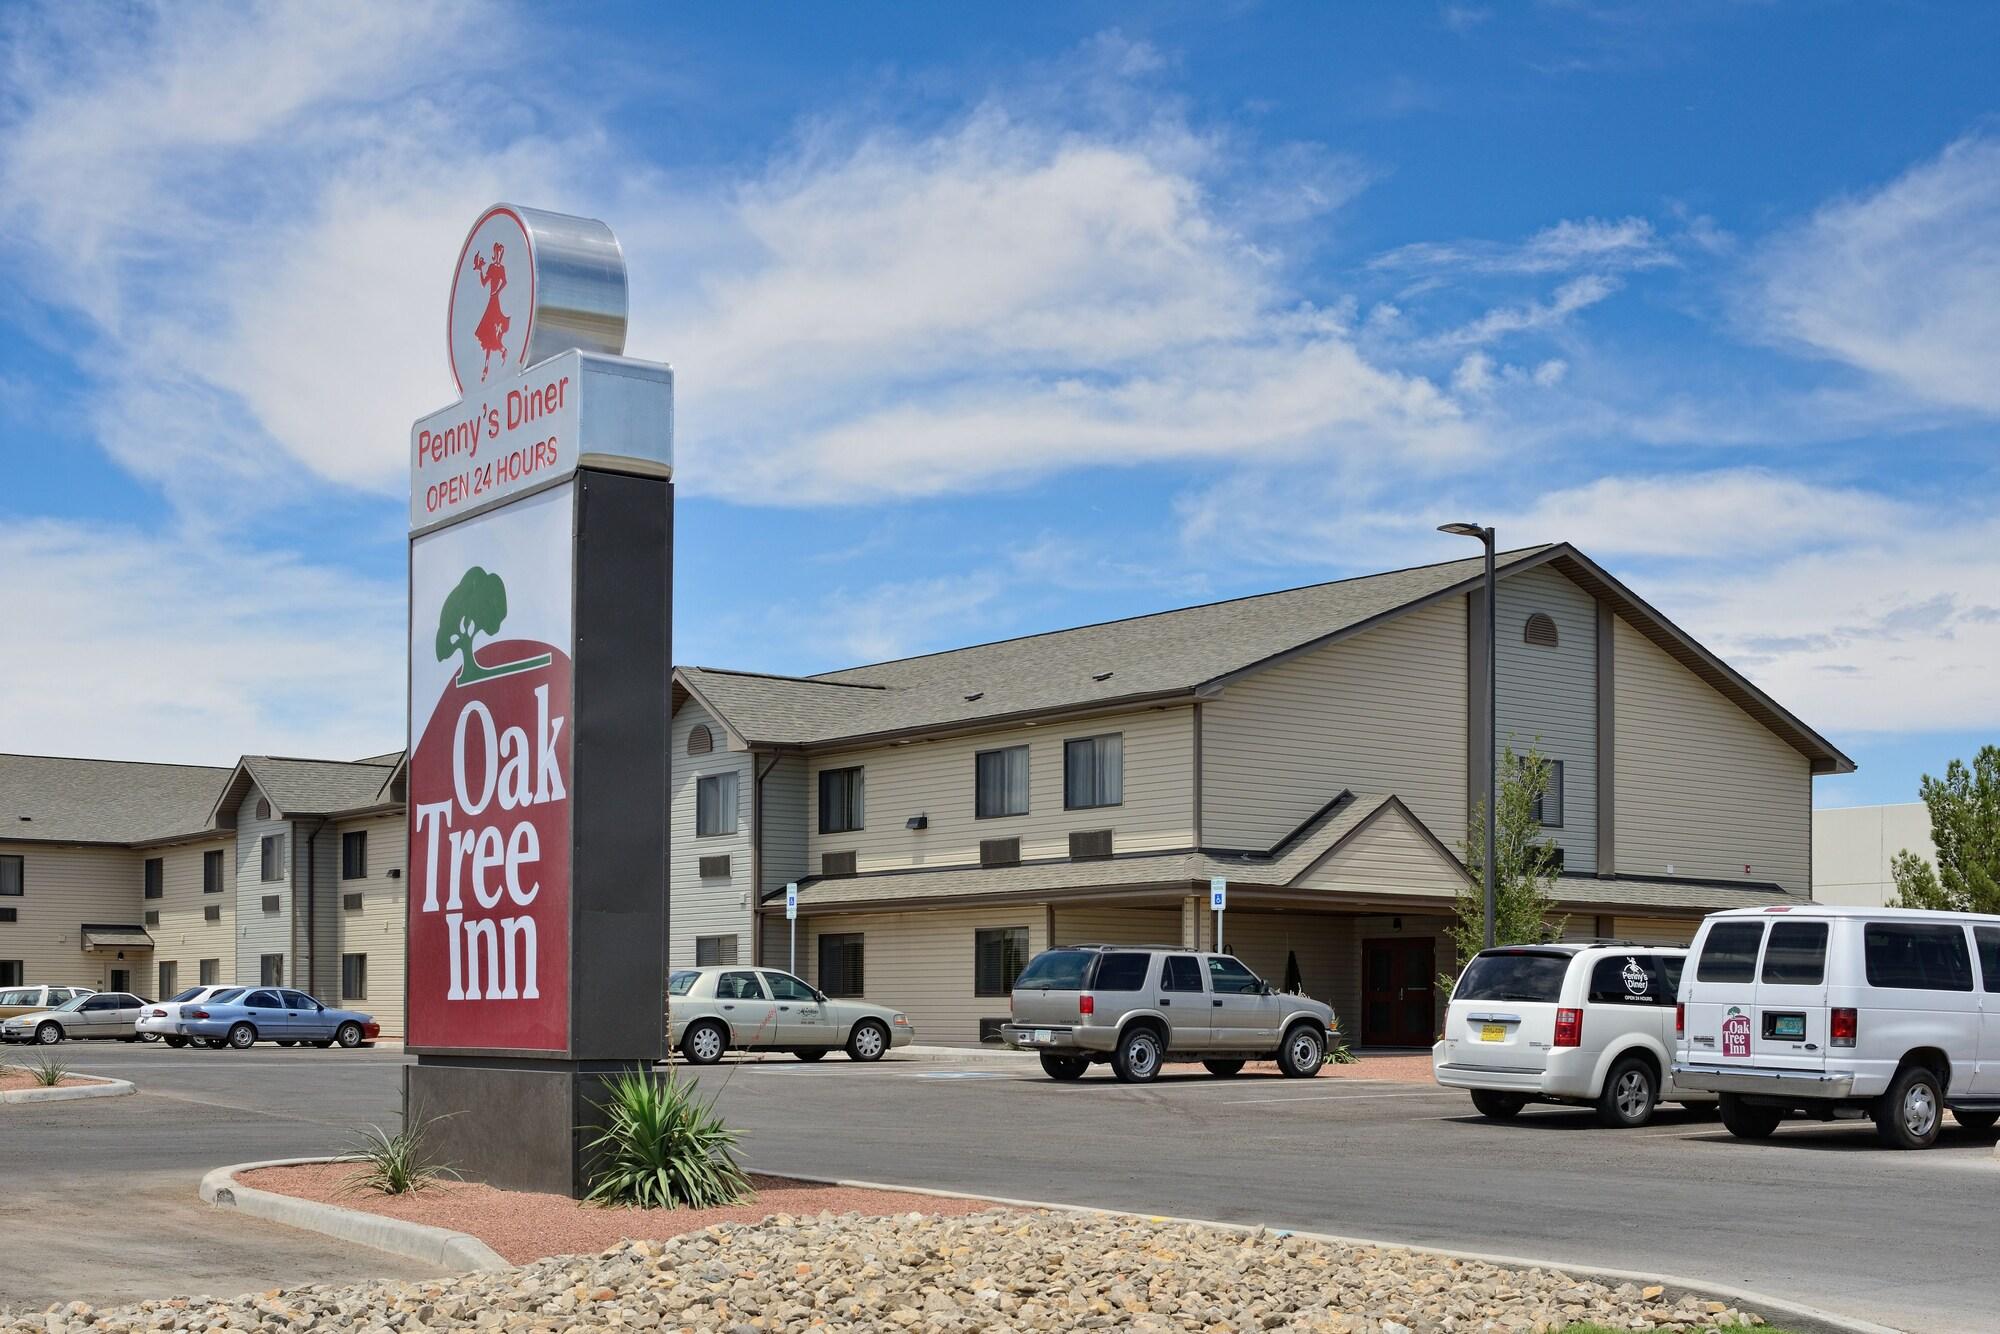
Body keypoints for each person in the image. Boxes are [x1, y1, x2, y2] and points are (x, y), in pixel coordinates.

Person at [470, 241, 512, 381]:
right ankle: (487, 366)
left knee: (492, 331)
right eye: (497, 253)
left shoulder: (501, 268)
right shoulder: (492, 267)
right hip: (491, 301)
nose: (498, 255)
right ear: (494, 254)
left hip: (495, 301)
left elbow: (505, 282)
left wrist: (497, 291)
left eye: (501, 253)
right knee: (488, 334)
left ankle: (500, 352)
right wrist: (480, 269)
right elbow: (483, 283)